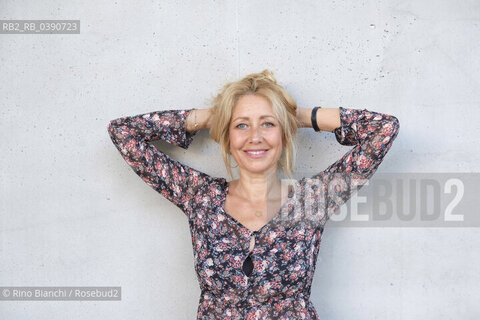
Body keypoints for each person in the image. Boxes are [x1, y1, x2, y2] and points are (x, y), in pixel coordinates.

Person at [107, 69, 400, 319]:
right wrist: (215, 116)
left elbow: (383, 129)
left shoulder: (312, 201)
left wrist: (297, 116)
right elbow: (123, 132)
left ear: (284, 134)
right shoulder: (200, 197)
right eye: (241, 125)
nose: (255, 137)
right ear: (228, 136)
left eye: (268, 124)